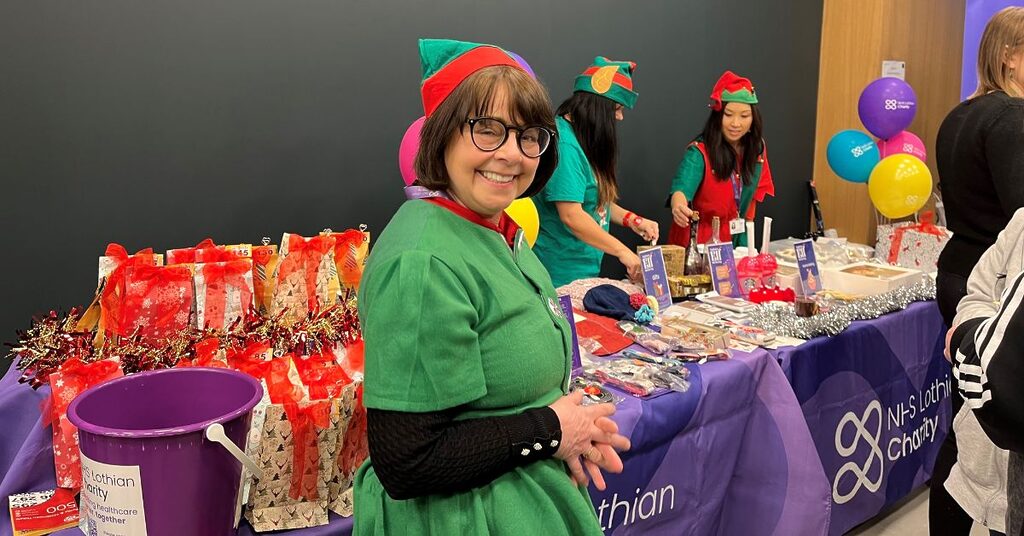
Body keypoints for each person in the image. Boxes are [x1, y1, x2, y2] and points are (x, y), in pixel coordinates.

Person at [355, 39, 630, 535]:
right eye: (487, 129)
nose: (511, 154)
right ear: (441, 136)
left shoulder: (494, 228)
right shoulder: (423, 261)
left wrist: (573, 430)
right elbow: (408, 461)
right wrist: (550, 431)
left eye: (529, 136)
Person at [934, 7, 1024, 533]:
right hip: (993, 289)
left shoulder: (961, 113)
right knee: (987, 433)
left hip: (960, 272)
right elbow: (1021, 219)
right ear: (1011, 58)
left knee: (964, 420)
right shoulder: (1012, 118)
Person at [532, 57, 659, 287]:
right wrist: (621, 251)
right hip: (559, 274)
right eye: (617, 109)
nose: (619, 117)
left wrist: (633, 220)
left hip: (584, 270)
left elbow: (596, 202)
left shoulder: (582, 139)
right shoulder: (565, 146)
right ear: (597, 108)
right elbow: (571, 214)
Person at [946, 208, 1024, 535]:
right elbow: (977, 293)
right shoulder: (1021, 222)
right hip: (1000, 462)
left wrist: (969, 341)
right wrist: (975, 332)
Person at [667, 71, 774, 249]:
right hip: (699, 240)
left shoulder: (757, 150)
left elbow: (753, 196)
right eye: (729, 114)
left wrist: (747, 238)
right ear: (718, 116)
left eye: (744, 116)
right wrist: (678, 207)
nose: (736, 123)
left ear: (753, 119)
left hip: (737, 236)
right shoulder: (699, 151)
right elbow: (681, 190)